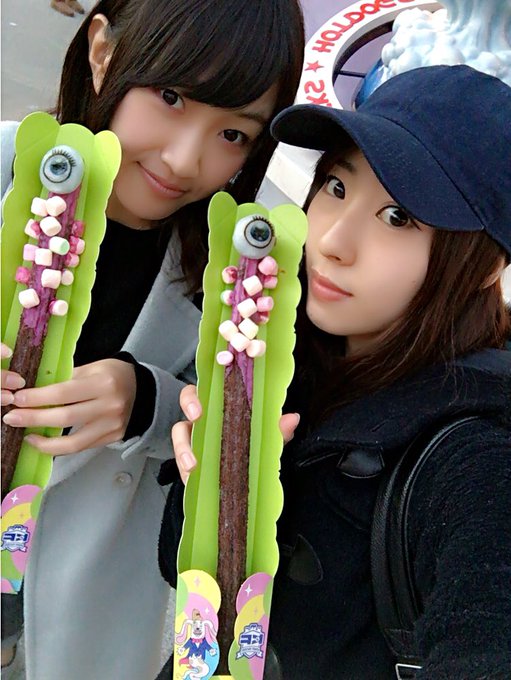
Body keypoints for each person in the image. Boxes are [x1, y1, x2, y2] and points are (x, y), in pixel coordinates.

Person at [159, 65, 511, 679]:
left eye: (398, 217)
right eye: (337, 187)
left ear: (486, 266)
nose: (333, 242)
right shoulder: (279, 347)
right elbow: (179, 569)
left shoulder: (475, 459)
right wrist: (218, 498)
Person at [0, 0, 305, 678]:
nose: (184, 159)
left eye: (233, 134)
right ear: (102, 51)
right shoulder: (9, 167)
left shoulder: (241, 269)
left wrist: (146, 400)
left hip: (83, 582)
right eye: (171, 97)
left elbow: (236, 430)